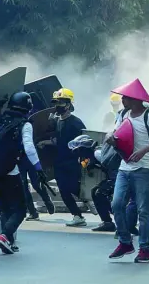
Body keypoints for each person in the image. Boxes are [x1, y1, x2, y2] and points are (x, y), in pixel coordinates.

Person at [107, 79, 149, 263]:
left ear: (135, 99)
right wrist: (111, 138)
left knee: (143, 210)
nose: (122, 100)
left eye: (125, 97)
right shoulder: (122, 114)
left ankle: (145, 249)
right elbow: (117, 134)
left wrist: (144, 150)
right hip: (125, 167)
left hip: (144, 168)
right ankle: (125, 242)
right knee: (116, 204)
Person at [0, 92, 47, 254]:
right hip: (11, 171)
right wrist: (39, 168)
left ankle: (8, 241)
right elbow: (29, 148)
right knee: (20, 209)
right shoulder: (25, 124)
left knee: (5, 208)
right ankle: (4, 236)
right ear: (28, 107)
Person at [37, 88, 87, 227]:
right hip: (59, 161)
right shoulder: (57, 121)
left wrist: (84, 161)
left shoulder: (76, 123)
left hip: (72, 161)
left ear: (68, 104)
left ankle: (90, 200)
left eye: (61, 102)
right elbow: (58, 140)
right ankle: (77, 216)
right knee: (64, 190)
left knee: (73, 187)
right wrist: (45, 142)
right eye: (56, 103)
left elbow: (85, 141)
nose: (57, 106)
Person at [19, 156, 55, 221]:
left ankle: (47, 201)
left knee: (36, 185)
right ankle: (33, 213)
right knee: (24, 189)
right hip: (19, 162)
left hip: (32, 160)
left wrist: (38, 166)